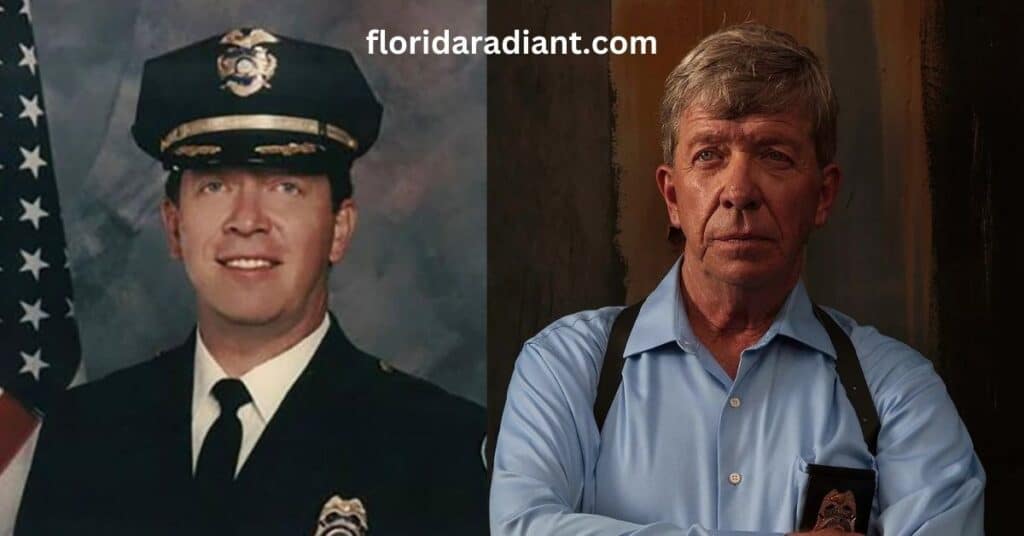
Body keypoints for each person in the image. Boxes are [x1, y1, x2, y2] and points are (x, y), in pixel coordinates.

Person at [490, 23, 984, 535]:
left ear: (823, 195)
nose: (738, 191)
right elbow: (523, 527)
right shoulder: (567, 368)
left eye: (774, 155)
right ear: (672, 196)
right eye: (709, 155)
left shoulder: (897, 393)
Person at [16, 27, 487, 535]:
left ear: (339, 228)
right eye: (215, 185)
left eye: (286, 187)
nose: (247, 220)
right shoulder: (85, 430)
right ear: (175, 226)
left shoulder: (440, 448)